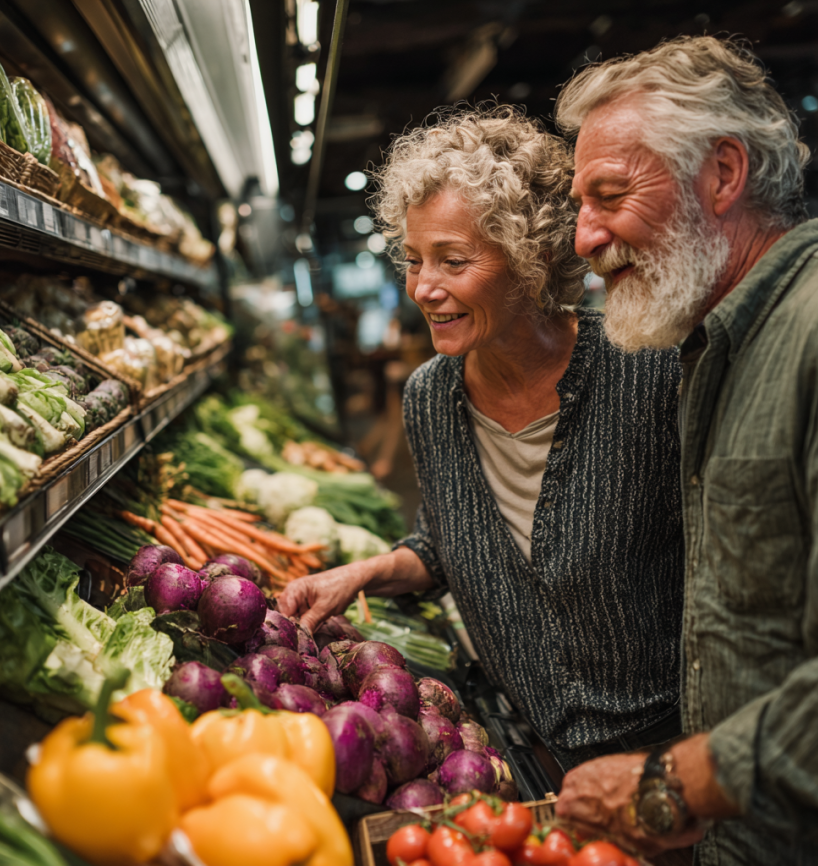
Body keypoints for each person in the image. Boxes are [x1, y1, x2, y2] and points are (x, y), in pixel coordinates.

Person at [279, 105, 686, 768]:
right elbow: (450, 543)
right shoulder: (431, 400)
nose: (425, 289)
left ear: (529, 261)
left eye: (453, 260)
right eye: (413, 261)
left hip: (672, 753)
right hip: (535, 753)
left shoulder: (644, 372)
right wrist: (363, 572)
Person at [552, 35, 818, 865]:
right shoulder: (707, 353)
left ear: (723, 174)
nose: (584, 240)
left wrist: (674, 781)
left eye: (610, 194)